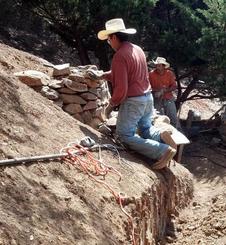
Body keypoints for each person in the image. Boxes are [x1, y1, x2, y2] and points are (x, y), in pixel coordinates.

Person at [97, 18, 176, 169]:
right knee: (145, 128)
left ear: (113, 37)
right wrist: (104, 75)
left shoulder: (119, 56)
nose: (109, 43)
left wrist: (110, 105)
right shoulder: (137, 49)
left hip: (133, 101)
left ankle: (163, 151)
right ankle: (161, 136)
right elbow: (129, 73)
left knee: (124, 135)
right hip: (147, 97)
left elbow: (121, 89)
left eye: (108, 40)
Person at [149, 57, 179, 129]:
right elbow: (147, 87)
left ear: (163, 66)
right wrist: (155, 91)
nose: (157, 67)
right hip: (156, 99)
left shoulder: (169, 74)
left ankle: (175, 134)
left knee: (173, 117)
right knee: (156, 118)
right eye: (156, 65)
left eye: (159, 65)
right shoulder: (151, 74)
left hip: (168, 98)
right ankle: (159, 135)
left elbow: (174, 86)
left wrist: (164, 91)